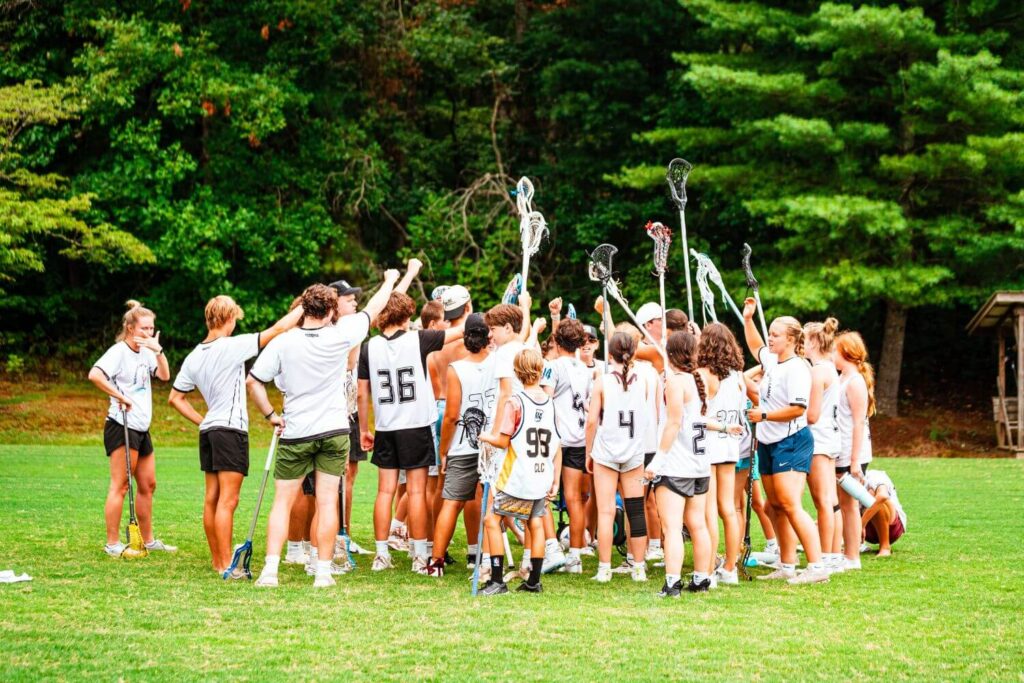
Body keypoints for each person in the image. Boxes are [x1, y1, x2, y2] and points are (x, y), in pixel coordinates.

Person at [248, 275, 398, 588]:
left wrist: (271, 416)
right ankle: (323, 571)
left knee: (282, 502)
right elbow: (374, 306)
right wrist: (392, 280)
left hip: (297, 431)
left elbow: (253, 382)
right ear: (331, 311)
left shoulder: (284, 341)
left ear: (303, 309)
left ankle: (270, 571)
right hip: (333, 429)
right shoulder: (341, 334)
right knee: (328, 501)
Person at [168, 295, 301, 575]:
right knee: (228, 501)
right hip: (229, 431)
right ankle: (227, 564)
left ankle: (219, 561)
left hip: (210, 432)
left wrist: (202, 421)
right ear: (229, 319)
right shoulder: (230, 346)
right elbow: (277, 329)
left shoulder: (195, 354)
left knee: (212, 499)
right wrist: (305, 305)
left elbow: (175, 398)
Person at [358, 291, 464, 574]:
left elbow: (361, 392)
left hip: (386, 426)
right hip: (415, 425)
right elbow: (460, 331)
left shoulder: (369, 347)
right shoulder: (417, 339)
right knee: (417, 492)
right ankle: (419, 555)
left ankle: (381, 554)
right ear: (406, 315)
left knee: (384, 492)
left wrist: (363, 429)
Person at [645, 332, 741, 596]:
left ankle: (673, 583)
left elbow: (675, 423)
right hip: (700, 465)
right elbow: (696, 420)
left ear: (671, 354)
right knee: (697, 524)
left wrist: (657, 460)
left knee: (672, 527)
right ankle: (701, 579)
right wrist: (724, 426)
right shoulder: (698, 380)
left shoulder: (676, 381)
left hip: (677, 465)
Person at [741, 298, 829, 585]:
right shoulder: (772, 360)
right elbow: (755, 346)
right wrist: (748, 318)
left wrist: (763, 414)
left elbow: (798, 409)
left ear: (791, 339)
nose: (770, 338)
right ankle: (787, 564)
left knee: (790, 503)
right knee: (774, 505)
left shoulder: (798, 368)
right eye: (771, 334)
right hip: (768, 441)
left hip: (791, 440)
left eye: (776, 335)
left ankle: (817, 566)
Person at [88, 300, 175, 557]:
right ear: (129, 328)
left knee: (148, 484)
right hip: (121, 425)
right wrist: (120, 396)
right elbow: (95, 374)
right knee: (121, 484)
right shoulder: (118, 352)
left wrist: (158, 351)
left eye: (151, 329)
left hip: (141, 427)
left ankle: (148, 540)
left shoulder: (148, 352)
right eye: (144, 329)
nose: (148, 333)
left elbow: (165, 376)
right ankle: (113, 543)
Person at [478, 349, 562, 595]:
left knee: (491, 520)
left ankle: (496, 580)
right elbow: (558, 445)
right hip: (541, 475)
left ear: (516, 373)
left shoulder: (515, 402)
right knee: (535, 522)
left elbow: (503, 442)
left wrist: (485, 436)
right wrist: (555, 479)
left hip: (517, 477)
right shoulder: (551, 404)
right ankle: (534, 580)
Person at [426, 313, 493, 576]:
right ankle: (483, 557)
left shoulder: (457, 369)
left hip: (463, 446)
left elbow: (452, 415)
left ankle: (436, 562)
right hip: (491, 444)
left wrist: (444, 450)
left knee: (452, 502)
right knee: (486, 502)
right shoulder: (497, 363)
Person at [584, 331, 652, 583]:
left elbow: (591, 421)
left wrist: (588, 451)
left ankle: (604, 568)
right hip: (633, 450)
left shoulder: (602, 381)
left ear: (609, 354)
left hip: (606, 451)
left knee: (605, 512)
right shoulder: (642, 380)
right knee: (636, 511)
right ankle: (638, 566)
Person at [540, 318, 593, 575]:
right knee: (575, 499)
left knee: (544, 493)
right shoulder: (586, 369)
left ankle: (548, 548)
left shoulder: (553, 367)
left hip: (557, 439)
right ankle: (576, 556)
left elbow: (544, 397)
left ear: (556, 341)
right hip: (580, 437)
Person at [698, 323, 746, 586]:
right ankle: (730, 566)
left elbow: (698, 416)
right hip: (730, 444)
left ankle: (708, 568)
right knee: (728, 507)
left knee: (709, 511)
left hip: (710, 443)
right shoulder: (738, 375)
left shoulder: (704, 374)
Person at [803, 318, 844, 572]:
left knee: (822, 501)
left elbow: (811, 414)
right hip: (830, 437)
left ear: (815, 342)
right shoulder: (830, 368)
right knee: (830, 499)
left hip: (818, 439)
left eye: (805, 341)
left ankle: (828, 554)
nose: (802, 346)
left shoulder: (819, 371)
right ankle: (833, 554)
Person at [834, 330, 875, 570]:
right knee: (844, 504)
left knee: (849, 506)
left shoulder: (855, 381)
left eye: (835, 351)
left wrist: (854, 460)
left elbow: (859, 421)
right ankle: (846, 552)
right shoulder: (842, 378)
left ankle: (852, 557)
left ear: (845, 353)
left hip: (852, 452)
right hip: (842, 449)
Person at [861, 469, 905, 556]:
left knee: (872, 496)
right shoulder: (843, 477)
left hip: (891, 528)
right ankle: (851, 545)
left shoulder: (875, 475)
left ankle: (885, 546)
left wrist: (861, 525)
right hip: (864, 532)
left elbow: (882, 496)